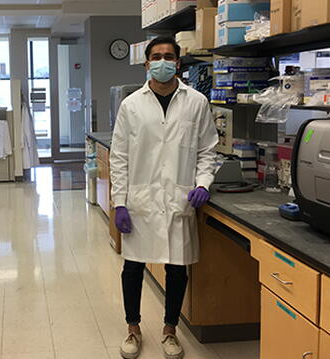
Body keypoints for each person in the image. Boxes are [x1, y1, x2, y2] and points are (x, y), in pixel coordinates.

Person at [109, 36, 218, 359]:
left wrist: (203, 183)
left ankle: (170, 331)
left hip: (178, 199)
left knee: (177, 269)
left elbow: (208, 150)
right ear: (146, 64)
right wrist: (120, 202)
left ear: (178, 64)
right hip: (140, 200)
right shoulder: (131, 105)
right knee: (132, 267)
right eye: (156, 57)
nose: (162, 61)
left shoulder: (196, 102)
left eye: (169, 56)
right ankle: (133, 328)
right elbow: (119, 157)